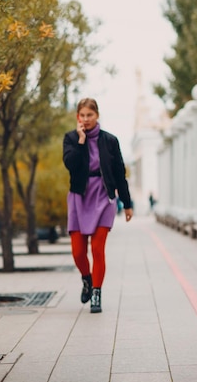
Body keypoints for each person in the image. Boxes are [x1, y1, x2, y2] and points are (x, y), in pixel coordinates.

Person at [63, 98, 133, 313]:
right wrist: (82, 141)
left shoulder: (110, 140)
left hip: (103, 196)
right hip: (79, 197)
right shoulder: (71, 139)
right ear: (77, 117)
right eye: (82, 115)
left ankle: (96, 293)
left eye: (90, 115)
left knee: (97, 249)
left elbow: (120, 173)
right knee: (77, 251)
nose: (86, 119)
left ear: (97, 115)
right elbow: (70, 165)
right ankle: (87, 278)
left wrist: (127, 203)